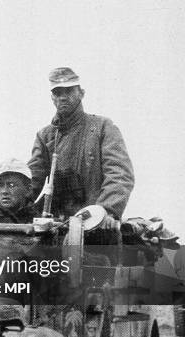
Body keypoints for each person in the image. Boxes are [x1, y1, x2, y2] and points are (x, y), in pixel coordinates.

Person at [28, 67, 134, 229]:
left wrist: (105, 211)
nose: (63, 97)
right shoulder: (45, 136)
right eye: (58, 93)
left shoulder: (102, 127)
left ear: (81, 93)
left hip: (94, 224)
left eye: (69, 91)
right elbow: (32, 182)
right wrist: (8, 207)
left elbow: (119, 175)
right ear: (52, 98)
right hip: (56, 225)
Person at [0, 158, 36, 223]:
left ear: (28, 189)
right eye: (1, 185)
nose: (4, 191)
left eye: (11, 185)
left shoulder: (39, 225)